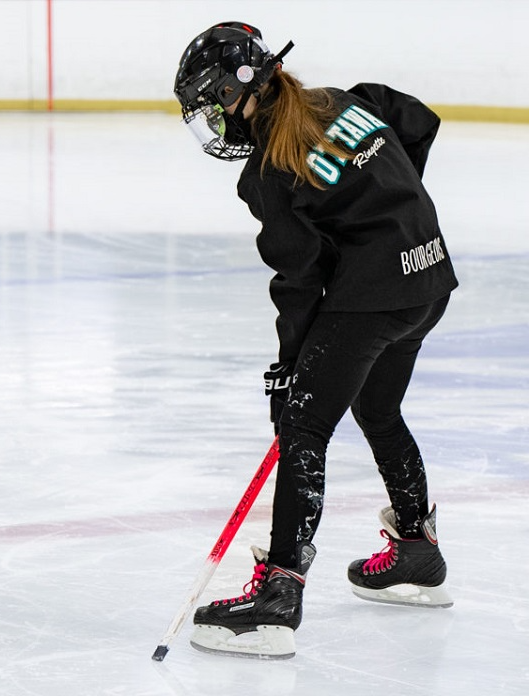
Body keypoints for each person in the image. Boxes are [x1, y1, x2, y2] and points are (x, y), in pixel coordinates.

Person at [173, 23, 458, 658]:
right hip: (429, 277)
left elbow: (299, 283)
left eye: (212, 105)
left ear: (241, 88)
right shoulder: (344, 100)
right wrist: (393, 205)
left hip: (376, 297)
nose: (214, 124)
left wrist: (288, 375)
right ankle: (417, 549)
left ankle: (277, 598)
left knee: (305, 429)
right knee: (378, 411)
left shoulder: (271, 170)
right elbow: (416, 121)